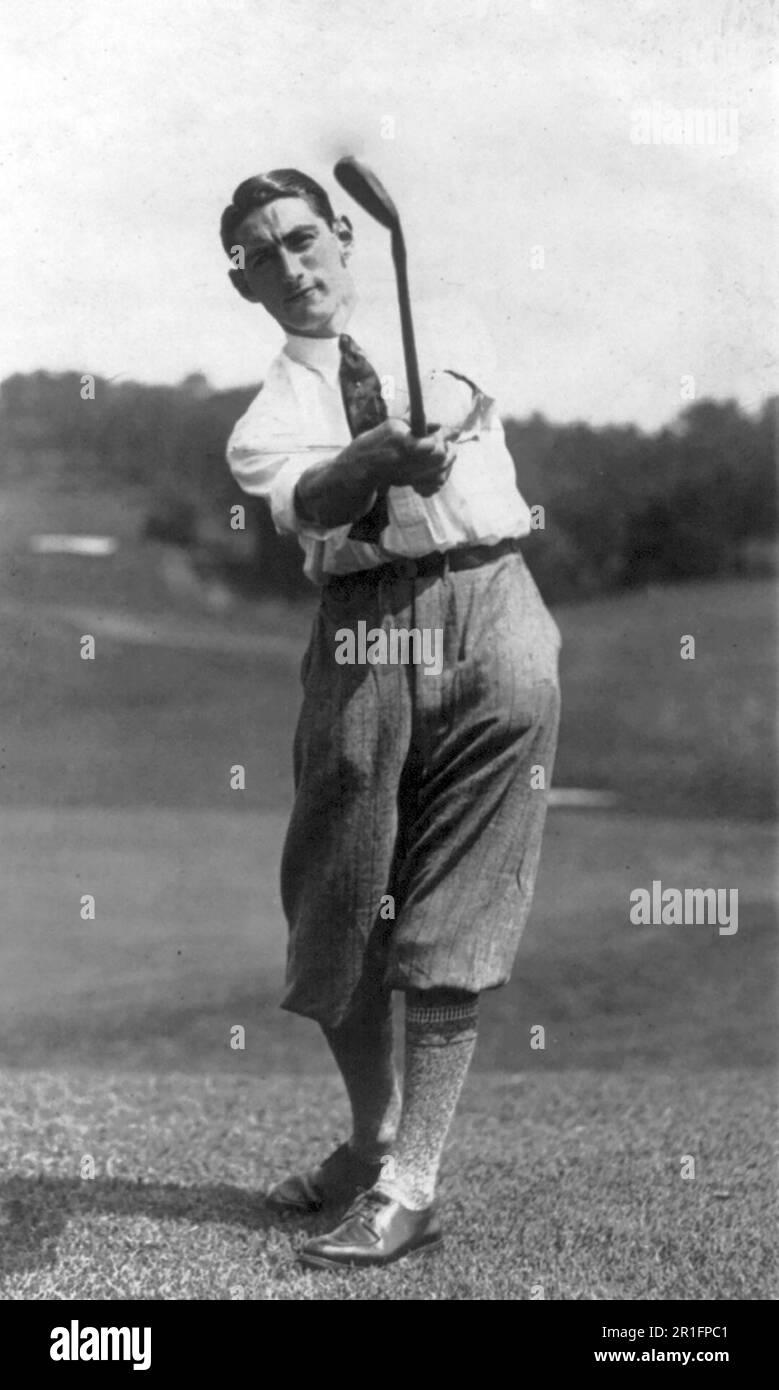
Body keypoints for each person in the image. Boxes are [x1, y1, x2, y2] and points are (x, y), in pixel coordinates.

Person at [221, 167, 561, 1269]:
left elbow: (454, 414)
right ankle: (370, 1142)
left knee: (456, 902)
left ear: (349, 240)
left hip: (492, 608)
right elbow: (310, 504)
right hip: (363, 632)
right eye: (262, 254)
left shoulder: (449, 326)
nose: (291, 265)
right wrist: (362, 465)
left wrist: (415, 440)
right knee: (334, 900)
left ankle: (411, 1183)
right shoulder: (269, 418)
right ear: (245, 284)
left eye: (305, 238)